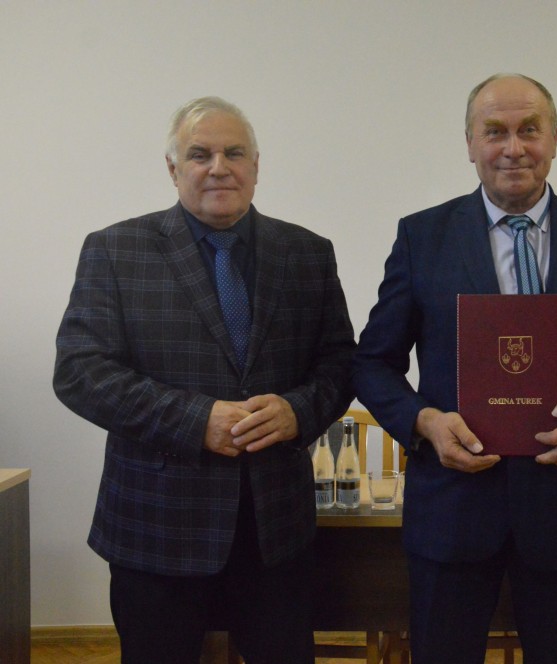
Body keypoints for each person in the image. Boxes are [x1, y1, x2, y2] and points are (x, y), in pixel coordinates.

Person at [352, 73, 557, 664]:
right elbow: (373, 363)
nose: (513, 148)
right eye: (494, 132)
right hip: (452, 509)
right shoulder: (422, 238)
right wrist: (424, 422)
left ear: (555, 139)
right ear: (470, 143)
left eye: (529, 130)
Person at [53, 97, 356, 664]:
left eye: (234, 153)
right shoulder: (115, 250)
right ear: (173, 169)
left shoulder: (308, 253)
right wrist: (197, 421)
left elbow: (340, 363)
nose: (219, 167)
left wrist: (297, 410)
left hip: (275, 532)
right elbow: (79, 371)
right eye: (200, 154)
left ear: (256, 166)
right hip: (156, 529)